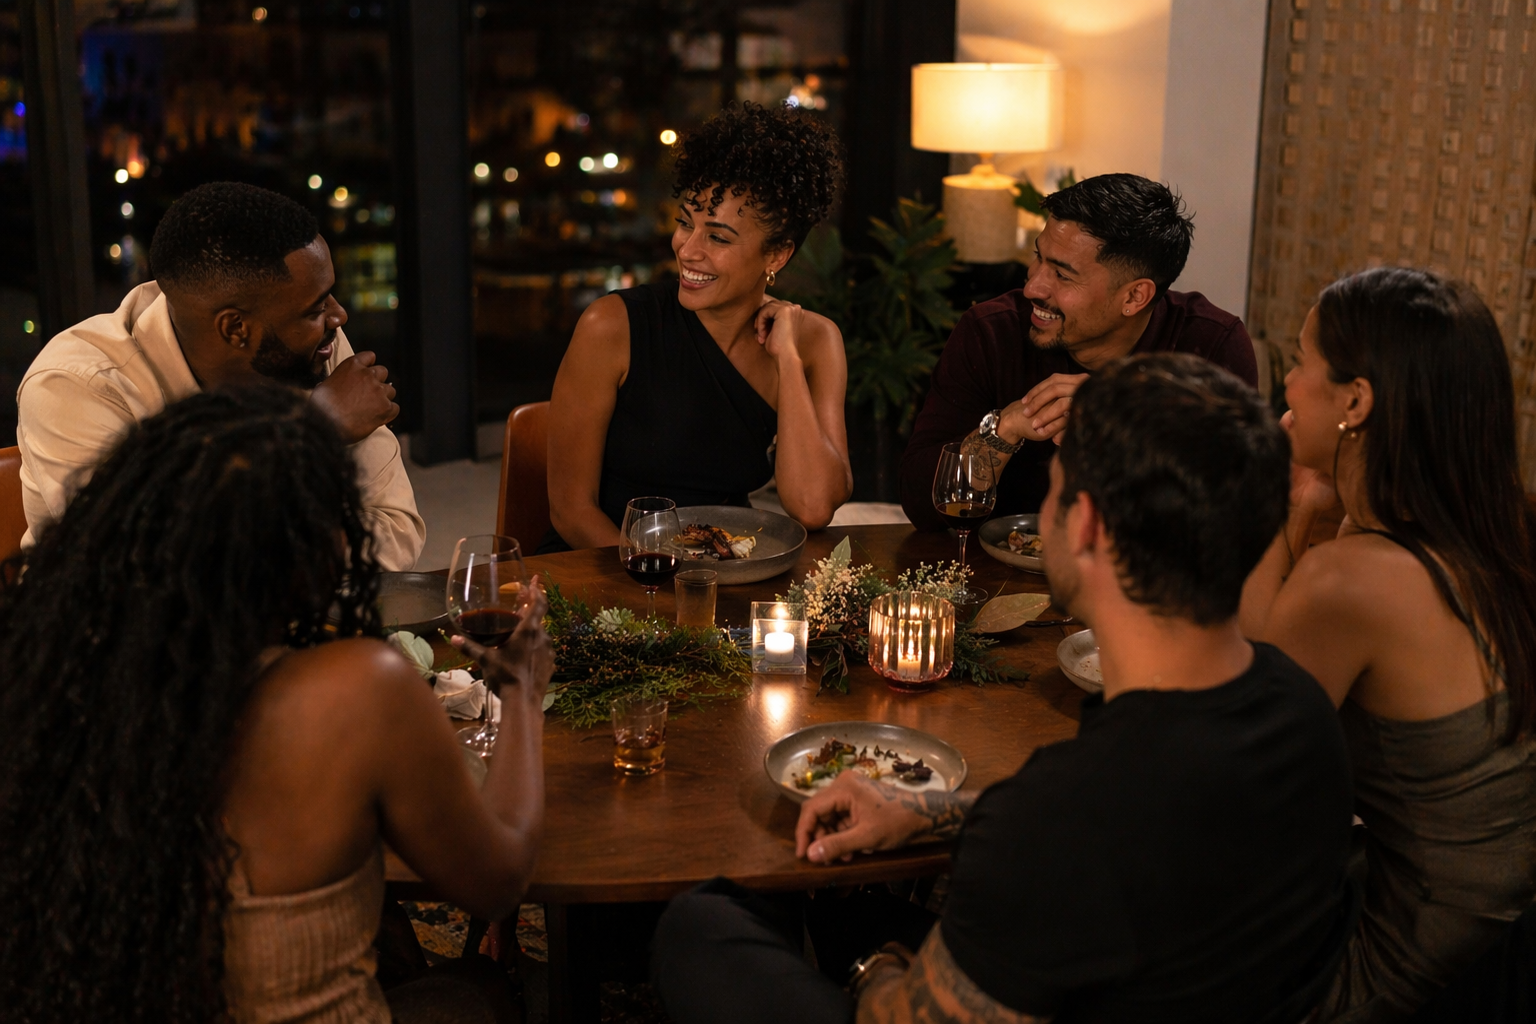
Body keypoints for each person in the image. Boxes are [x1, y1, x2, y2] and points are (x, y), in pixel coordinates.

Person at [653, 354, 1359, 1024]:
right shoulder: (1304, 712)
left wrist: (882, 965)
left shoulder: (1064, 819)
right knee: (832, 902)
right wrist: (931, 811)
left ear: (1084, 525)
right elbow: (1119, 833)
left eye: (1054, 487)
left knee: (701, 924)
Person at [0, 387, 549, 1023]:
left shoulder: (48, 679)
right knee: (479, 991)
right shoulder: (355, 691)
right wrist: (522, 689)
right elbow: (501, 876)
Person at [1238, 267, 1536, 1022]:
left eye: (1302, 361)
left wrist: (1282, 497)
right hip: (1503, 936)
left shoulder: (1354, 580)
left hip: (1425, 974)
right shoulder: (1492, 531)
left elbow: (1234, 743)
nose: (1289, 385)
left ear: (1356, 401)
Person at [16, 181, 425, 571]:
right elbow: (145, 573)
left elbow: (397, 529)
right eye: (317, 308)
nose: (339, 316)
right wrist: (312, 430)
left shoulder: (314, 343)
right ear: (235, 329)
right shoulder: (76, 386)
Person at [545, 103, 851, 550]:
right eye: (685, 224)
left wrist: (787, 359)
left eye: (718, 237)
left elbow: (813, 506)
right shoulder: (612, 326)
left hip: (723, 568)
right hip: (608, 566)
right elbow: (571, 510)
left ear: (776, 255)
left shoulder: (814, 340)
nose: (687, 250)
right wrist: (658, 588)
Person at [899, 173, 1259, 530]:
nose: (1033, 287)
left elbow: (1233, 519)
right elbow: (920, 502)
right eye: (1039, 258)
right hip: (992, 578)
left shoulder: (1210, 348)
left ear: (1134, 296)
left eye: (1062, 275)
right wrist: (1004, 430)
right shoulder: (991, 332)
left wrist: (1122, 425)